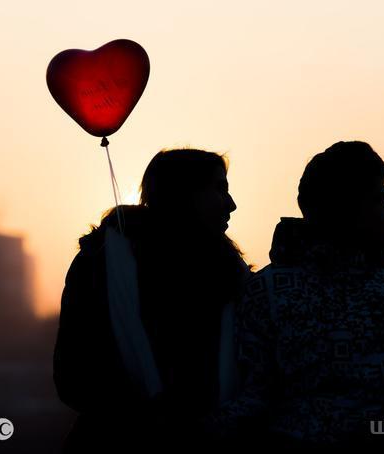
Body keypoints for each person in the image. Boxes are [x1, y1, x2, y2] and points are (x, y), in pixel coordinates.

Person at [212, 141, 384, 451]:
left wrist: (381, 434)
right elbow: (255, 393)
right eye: (379, 199)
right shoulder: (267, 291)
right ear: (345, 209)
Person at [53, 149, 249, 452]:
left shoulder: (230, 274)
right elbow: (75, 376)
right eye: (219, 188)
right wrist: (152, 417)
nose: (231, 204)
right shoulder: (103, 265)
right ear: (185, 194)